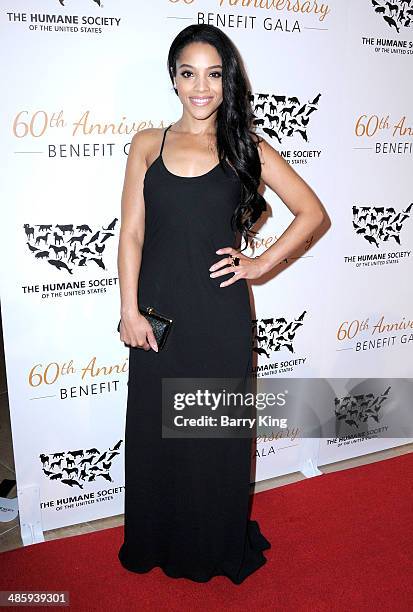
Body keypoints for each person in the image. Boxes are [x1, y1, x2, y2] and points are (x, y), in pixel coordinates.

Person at [117, 24, 327, 584]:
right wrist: (129, 310)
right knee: (157, 433)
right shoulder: (147, 144)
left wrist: (259, 264)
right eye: (189, 73)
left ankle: (211, 544)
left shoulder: (246, 148)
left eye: (214, 74)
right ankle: (158, 539)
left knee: (212, 439)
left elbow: (311, 212)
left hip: (219, 317)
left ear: (227, 80)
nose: (201, 86)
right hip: (158, 315)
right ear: (174, 79)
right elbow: (132, 235)